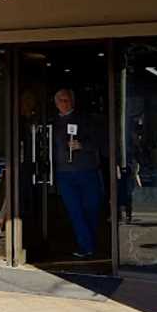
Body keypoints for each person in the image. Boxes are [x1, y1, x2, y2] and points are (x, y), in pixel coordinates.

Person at [52, 89, 104, 258]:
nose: (64, 102)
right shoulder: (51, 123)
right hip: (63, 173)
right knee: (75, 210)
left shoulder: (85, 120)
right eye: (60, 100)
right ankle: (87, 246)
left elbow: (99, 141)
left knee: (91, 208)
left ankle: (91, 243)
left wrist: (82, 145)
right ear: (55, 103)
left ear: (73, 101)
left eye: (67, 99)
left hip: (86, 170)